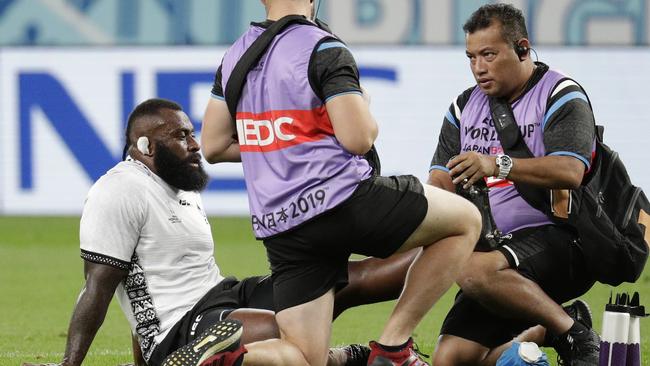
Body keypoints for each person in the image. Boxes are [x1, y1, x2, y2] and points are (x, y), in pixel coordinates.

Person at [24, 98, 420, 366]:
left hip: (223, 295)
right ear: (144, 146)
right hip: (181, 331)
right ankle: (346, 358)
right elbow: (101, 287)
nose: (196, 145)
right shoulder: (119, 190)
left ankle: (453, 254)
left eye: (192, 133)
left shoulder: (179, 187)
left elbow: (153, 282)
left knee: (339, 282)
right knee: (274, 328)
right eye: (180, 136)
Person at [200, 0, 482, 365]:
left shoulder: (235, 55)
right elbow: (358, 138)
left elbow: (214, 145)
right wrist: (363, 106)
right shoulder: (322, 47)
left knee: (304, 356)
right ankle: (393, 347)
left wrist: (282, 146)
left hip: (282, 225)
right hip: (342, 200)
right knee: (465, 222)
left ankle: (227, 359)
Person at [427, 3, 601, 366]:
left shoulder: (560, 93)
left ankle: (576, 337)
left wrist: (497, 163)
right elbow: (441, 177)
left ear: (522, 48)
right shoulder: (463, 107)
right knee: (450, 359)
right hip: (492, 248)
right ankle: (547, 329)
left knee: (470, 270)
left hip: (561, 238)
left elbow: (570, 171)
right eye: (471, 57)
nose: (478, 67)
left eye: (489, 54)